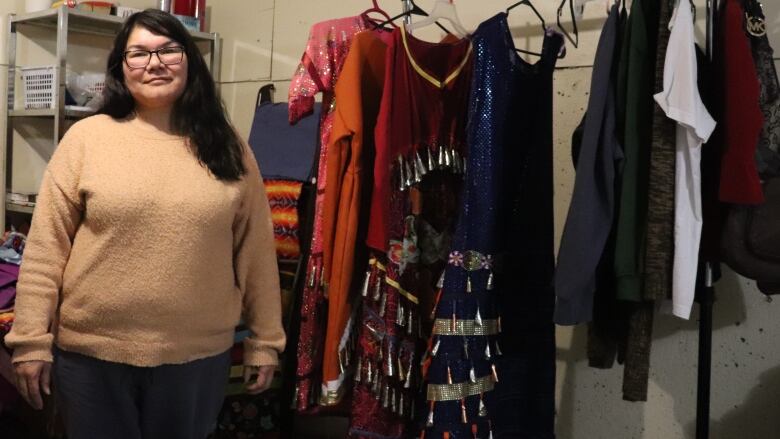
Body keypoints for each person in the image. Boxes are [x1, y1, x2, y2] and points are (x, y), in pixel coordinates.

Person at [4, 9, 285, 439]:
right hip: (91, 356)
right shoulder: (86, 139)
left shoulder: (225, 145)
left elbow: (256, 252)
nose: (154, 63)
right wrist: (30, 341)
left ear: (190, 60)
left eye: (168, 50)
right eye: (138, 53)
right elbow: (46, 250)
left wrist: (265, 341)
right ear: (121, 67)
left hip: (196, 357)